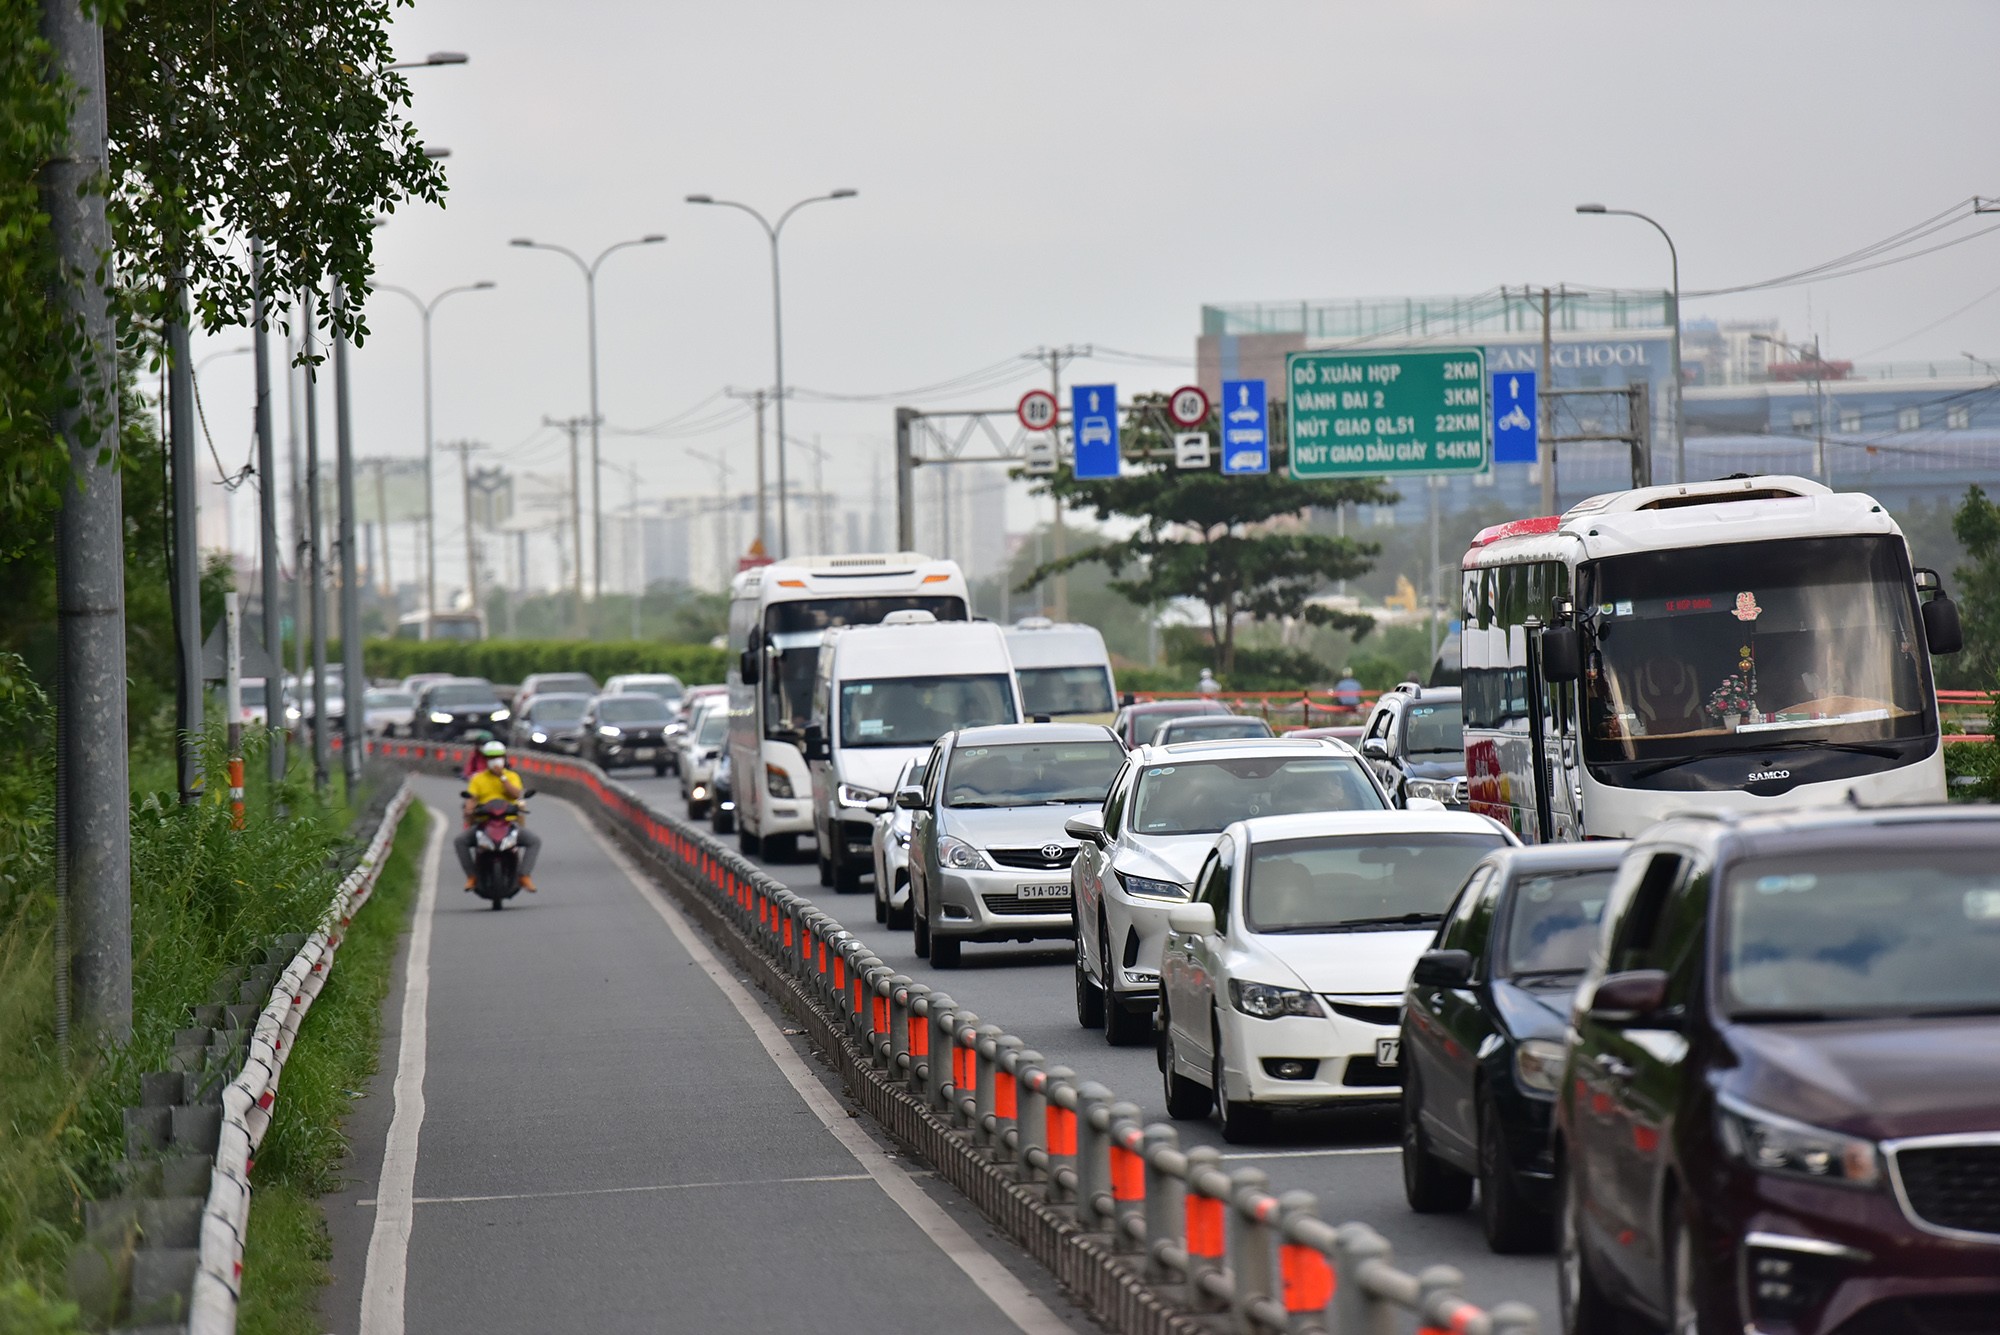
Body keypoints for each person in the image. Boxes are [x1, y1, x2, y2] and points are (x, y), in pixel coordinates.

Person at [457, 740, 541, 892]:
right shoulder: (478, 779)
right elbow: (471, 798)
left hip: (507, 823)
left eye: (498, 757)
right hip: (485, 823)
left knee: (533, 841)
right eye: (491, 757)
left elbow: (516, 794)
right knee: (460, 841)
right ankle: (472, 876)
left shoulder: (512, 776)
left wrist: (502, 778)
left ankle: (524, 875)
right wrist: (469, 810)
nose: (495, 761)